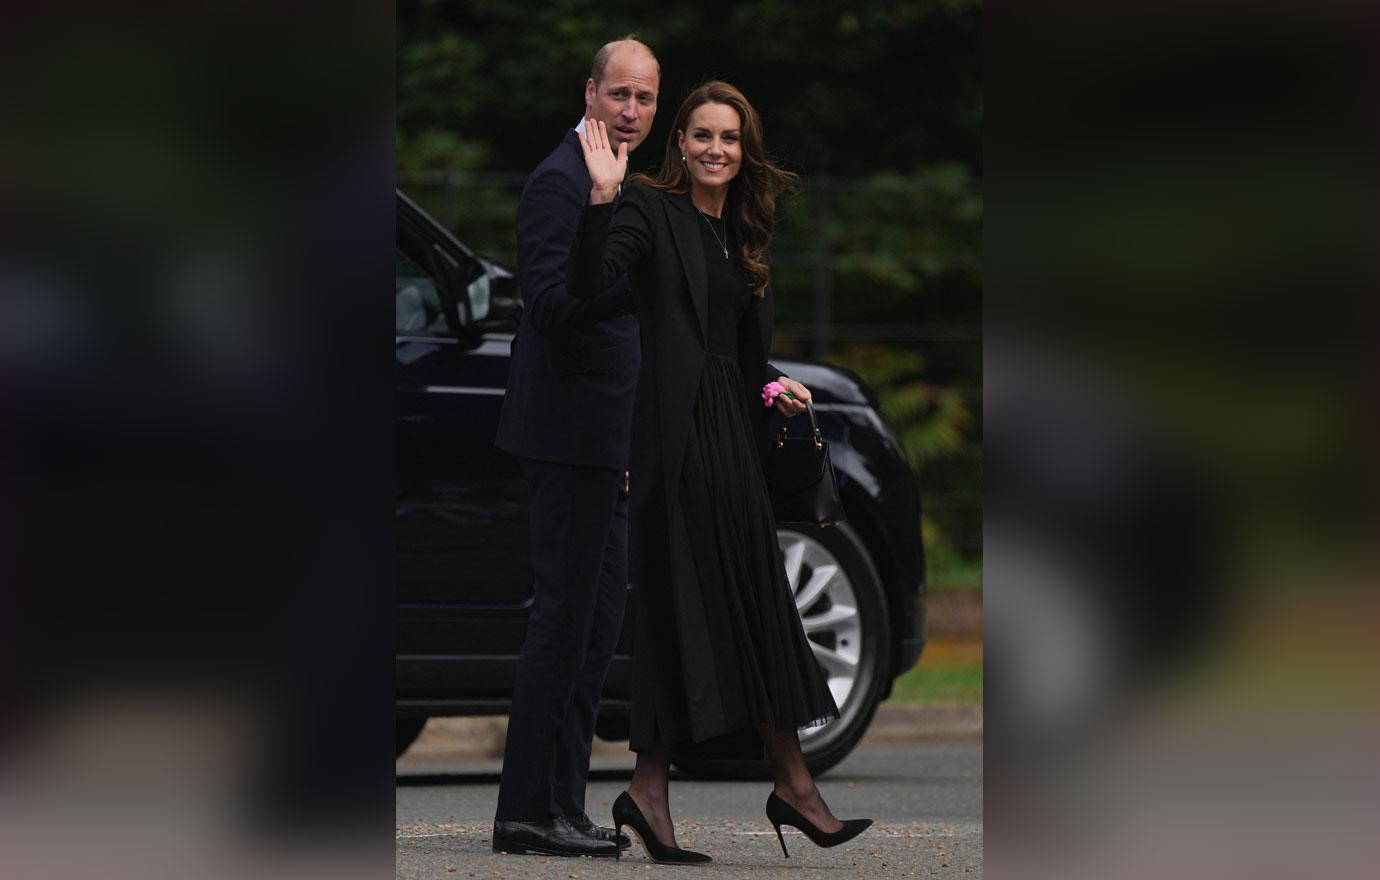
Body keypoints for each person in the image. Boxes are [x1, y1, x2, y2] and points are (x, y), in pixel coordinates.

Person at [568, 82, 874, 864]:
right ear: (680, 143)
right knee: (721, 605)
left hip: (732, 443)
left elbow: (734, 355)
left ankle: (656, 790)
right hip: (676, 444)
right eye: (703, 135)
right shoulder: (647, 208)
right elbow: (589, 285)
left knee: (729, 606)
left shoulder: (738, 232)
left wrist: (774, 384)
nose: (716, 149)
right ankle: (790, 785)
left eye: (731, 138)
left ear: (745, 151)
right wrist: (601, 199)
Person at [490, 36, 660, 859]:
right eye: (619, 94)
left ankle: (562, 803)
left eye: (645, 99)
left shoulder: (619, 181)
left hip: (608, 441)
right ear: (590, 93)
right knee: (563, 623)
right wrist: (601, 213)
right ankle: (525, 810)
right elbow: (551, 308)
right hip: (566, 439)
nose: (631, 111)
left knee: (597, 630)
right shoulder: (564, 182)